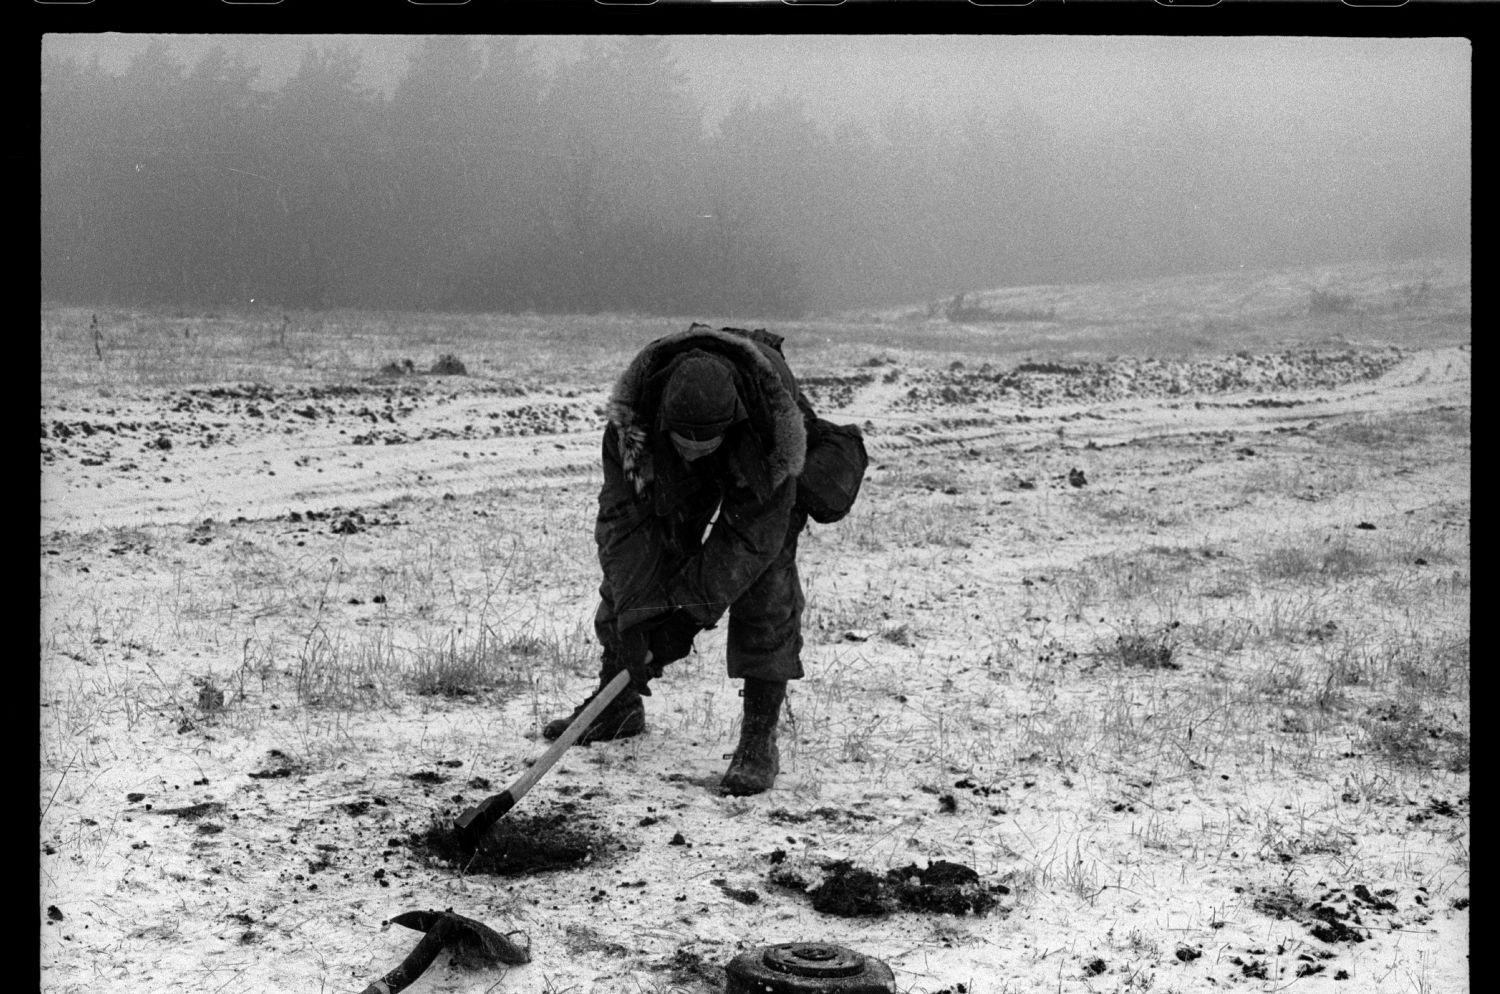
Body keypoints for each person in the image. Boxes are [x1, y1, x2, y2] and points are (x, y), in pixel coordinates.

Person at [543, 323, 865, 796]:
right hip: (672, 454)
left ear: (729, 421)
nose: (694, 450)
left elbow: (748, 544)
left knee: (765, 584)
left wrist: (683, 620)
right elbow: (624, 529)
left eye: (705, 440)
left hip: (755, 463)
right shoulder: (632, 428)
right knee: (642, 559)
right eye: (685, 439)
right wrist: (636, 622)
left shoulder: (774, 433)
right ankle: (617, 703)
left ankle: (759, 736)